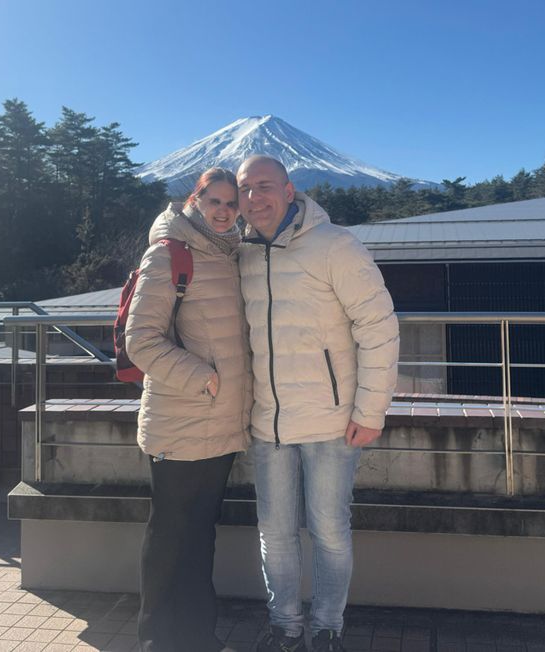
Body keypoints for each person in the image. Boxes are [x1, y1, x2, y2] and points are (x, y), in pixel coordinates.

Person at [237, 156, 400, 652]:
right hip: (268, 423)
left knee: (329, 531)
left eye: (264, 186)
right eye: (245, 188)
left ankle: (328, 627)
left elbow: (379, 326)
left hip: (332, 422)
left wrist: (370, 411)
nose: (254, 197)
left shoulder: (335, 245)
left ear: (290, 191)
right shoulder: (240, 253)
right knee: (274, 533)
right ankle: (285, 627)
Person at [126, 168, 251, 652]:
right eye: (213, 200)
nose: (223, 211)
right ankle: (156, 639)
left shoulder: (233, 254)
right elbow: (141, 341)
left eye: (231, 203)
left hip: (222, 423)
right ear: (193, 200)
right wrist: (203, 378)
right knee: (169, 533)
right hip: (179, 419)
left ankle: (199, 637)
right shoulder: (169, 253)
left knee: (200, 535)